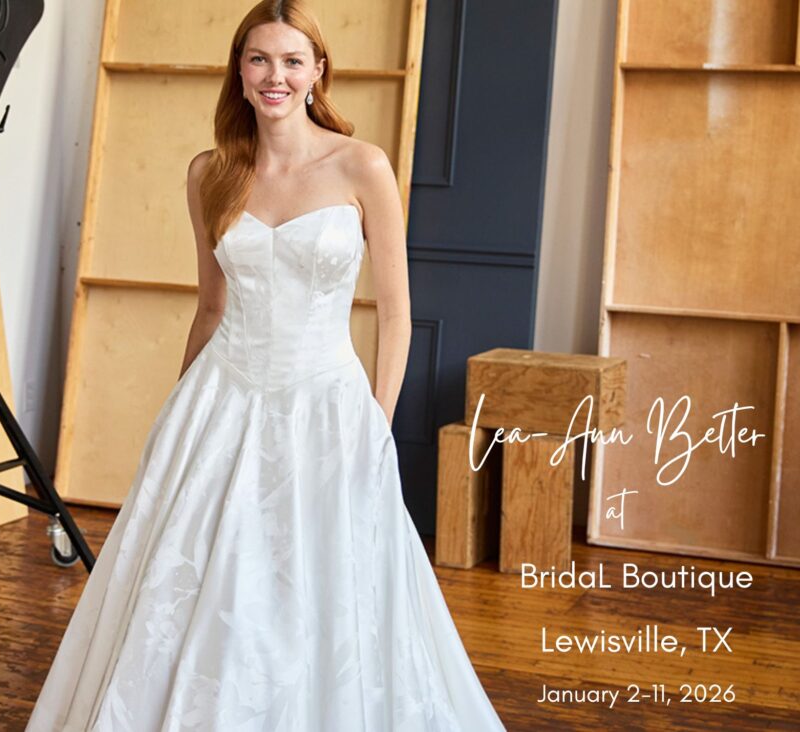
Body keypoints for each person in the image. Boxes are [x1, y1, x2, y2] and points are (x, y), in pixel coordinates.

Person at [27, 1, 505, 729]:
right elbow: (210, 307)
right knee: (208, 587)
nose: (274, 75)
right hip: (222, 398)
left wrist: (377, 424)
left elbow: (397, 314)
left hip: (327, 404)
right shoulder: (210, 173)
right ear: (240, 71)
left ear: (317, 72)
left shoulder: (362, 166)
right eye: (259, 59)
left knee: (321, 587)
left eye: (291, 61)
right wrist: (177, 420)